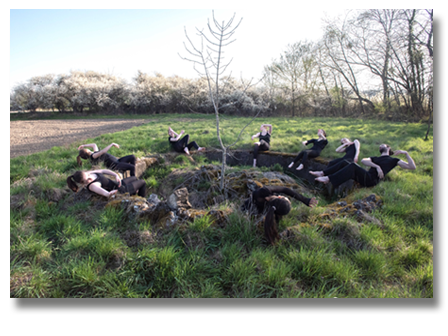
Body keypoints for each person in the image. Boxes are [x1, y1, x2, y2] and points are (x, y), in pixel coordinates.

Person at [314, 144, 416, 189]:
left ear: (388, 148)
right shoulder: (375, 158)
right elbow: (363, 161)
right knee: (346, 162)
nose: (380, 146)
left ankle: (328, 179)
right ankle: (324, 173)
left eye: (382, 145)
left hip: (372, 180)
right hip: (367, 176)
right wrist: (377, 167)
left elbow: (412, 167)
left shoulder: (394, 160)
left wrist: (406, 153)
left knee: (353, 165)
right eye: (380, 146)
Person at [242, 186, 318, 245]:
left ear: (280, 197)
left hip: (253, 209)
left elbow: (285, 189)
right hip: (248, 209)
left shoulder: (266, 192)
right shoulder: (263, 195)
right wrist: (305, 200)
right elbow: (285, 190)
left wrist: (305, 200)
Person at [67, 169, 147, 198]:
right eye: (87, 179)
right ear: (82, 183)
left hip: (118, 183)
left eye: (87, 174)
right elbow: (106, 194)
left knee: (134, 178)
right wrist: (110, 193)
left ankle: (133, 193)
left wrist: (116, 175)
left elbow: (103, 170)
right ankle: (142, 200)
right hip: (120, 190)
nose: (89, 177)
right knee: (142, 182)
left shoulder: (88, 173)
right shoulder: (93, 186)